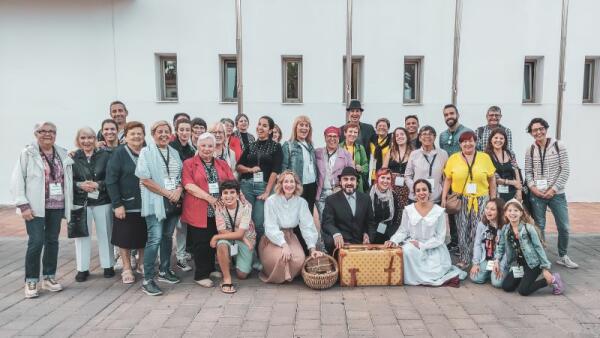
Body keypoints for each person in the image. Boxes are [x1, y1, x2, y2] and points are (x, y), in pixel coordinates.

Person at [10, 122, 74, 298]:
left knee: (52, 241)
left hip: (56, 205)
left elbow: (67, 178)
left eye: (51, 131)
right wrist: (22, 204)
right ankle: (31, 279)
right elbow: (18, 179)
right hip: (35, 207)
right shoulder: (28, 153)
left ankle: (49, 277)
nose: (47, 134)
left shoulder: (62, 152)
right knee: (36, 242)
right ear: (36, 133)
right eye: (43, 131)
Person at [385, 179, 467, 286]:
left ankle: (424, 274)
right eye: (418, 190)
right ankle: (414, 275)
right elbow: (403, 231)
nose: (421, 193)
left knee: (434, 271)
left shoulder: (439, 211)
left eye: (424, 189)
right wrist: (393, 240)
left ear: (429, 192)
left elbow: (440, 237)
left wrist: (423, 245)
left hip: (433, 247)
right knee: (407, 251)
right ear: (414, 194)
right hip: (414, 245)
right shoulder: (408, 210)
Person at [136, 121, 183, 296]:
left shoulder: (175, 153)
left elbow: (180, 175)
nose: (163, 134)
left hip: (172, 202)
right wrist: (166, 192)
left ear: (171, 134)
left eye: (166, 131)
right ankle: (148, 280)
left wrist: (178, 189)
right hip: (155, 201)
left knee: (167, 237)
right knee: (154, 239)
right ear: (153, 134)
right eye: (159, 132)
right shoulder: (146, 152)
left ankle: (164, 270)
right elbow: (145, 179)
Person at [182, 133, 236, 288]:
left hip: (219, 209)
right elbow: (189, 185)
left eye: (210, 146)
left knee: (215, 238)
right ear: (198, 146)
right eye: (203, 145)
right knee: (201, 243)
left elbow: (231, 182)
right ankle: (201, 275)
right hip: (198, 208)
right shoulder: (189, 163)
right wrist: (211, 199)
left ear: (215, 148)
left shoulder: (222, 163)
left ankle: (211, 268)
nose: (206, 149)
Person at [524, 118, 578, 268]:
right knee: (539, 226)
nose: (538, 132)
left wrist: (553, 189)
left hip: (557, 194)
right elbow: (528, 172)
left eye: (541, 129)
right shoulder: (530, 149)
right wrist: (533, 188)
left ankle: (563, 255)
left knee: (564, 226)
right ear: (531, 133)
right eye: (534, 130)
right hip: (537, 195)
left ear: (546, 129)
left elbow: (565, 170)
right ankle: (541, 256)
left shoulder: (559, 145)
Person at [442, 131, 496, 269]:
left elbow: (492, 179)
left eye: (470, 140)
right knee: (462, 229)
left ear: (475, 142)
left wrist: (493, 199)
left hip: (481, 198)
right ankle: (464, 258)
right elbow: (447, 179)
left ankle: (476, 258)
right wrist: (444, 198)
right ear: (460, 144)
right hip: (461, 198)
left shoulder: (484, 157)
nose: (468, 144)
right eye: (464, 141)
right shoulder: (453, 158)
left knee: (478, 229)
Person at [260, 170, 323, 283]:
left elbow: (307, 226)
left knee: (299, 259)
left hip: (290, 236)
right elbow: (270, 226)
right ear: (280, 184)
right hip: (272, 238)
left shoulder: (301, 202)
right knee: (281, 258)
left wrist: (312, 248)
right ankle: (277, 275)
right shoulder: (271, 201)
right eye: (286, 182)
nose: (289, 185)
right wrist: (284, 245)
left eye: (292, 182)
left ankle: (287, 273)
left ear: (297, 184)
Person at [494, 199, 565, 296]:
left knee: (523, 291)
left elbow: (539, 248)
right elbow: (500, 246)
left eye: (516, 210)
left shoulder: (528, 228)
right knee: (507, 286)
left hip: (533, 264)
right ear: (505, 213)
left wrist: (545, 268)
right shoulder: (505, 229)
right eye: (509, 210)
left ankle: (552, 279)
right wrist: (497, 260)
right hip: (519, 265)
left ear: (521, 213)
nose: (512, 213)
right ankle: (525, 280)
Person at [106, 121, 147, 284]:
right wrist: (117, 204)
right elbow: (111, 180)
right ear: (126, 136)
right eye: (133, 133)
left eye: (139, 133)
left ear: (144, 136)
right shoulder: (119, 153)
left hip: (145, 202)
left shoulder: (147, 152)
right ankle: (127, 268)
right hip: (125, 204)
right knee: (125, 237)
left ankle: (142, 263)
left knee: (143, 235)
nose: (136, 136)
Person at [71, 127, 115, 282]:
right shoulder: (73, 157)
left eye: (90, 137)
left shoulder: (106, 155)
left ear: (95, 139)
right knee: (82, 236)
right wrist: (79, 185)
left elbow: (111, 176)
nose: (86, 141)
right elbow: (68, 180)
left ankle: (108, 266)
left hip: (102, 200)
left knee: (105, 233)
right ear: (78, 139)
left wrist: (98, 185)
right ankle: (82, 269)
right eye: (83, 138)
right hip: (81, 201)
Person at [236, 116, 283, 246]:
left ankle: (260, 253)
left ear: (270, 130)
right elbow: (238, 166)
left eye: (264, 125)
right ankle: (249, 256)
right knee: (246, 222)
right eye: (259, 124)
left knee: (258, 222)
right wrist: (250, 169)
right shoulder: (251, 146)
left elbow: (275, 170)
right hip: (247, 186)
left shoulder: (276, 147)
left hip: (264, 187)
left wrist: (268, 191)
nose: (260, 127)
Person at [211, 180, 256, 293]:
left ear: (237, 194)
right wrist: (219, 237)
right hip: (231, 237)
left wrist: (215, 237)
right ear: (221, 195)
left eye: (232, 192)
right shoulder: (219, 207)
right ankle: (227, 279)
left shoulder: (246, 206)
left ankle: (244, 257)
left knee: (242, 275)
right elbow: (222, 231)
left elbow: (241, 233)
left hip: (247, 237)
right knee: (221, 244)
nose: (229, 196)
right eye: (225, 193)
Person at [439, 104, 472, 254]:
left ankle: (465, 243)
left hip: (465, 180)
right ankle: (454, 241)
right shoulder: (443, 136)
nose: (449, 117)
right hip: (449, 179)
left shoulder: (466, 132)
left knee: (465, 212)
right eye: (446, 115)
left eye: (451, 113)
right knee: (452, 209)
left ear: (457, 114)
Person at [321, 167, 376, 253]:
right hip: (341, 244)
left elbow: (371, 222)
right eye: (345, 179)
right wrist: (336, 234)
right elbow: (327, 223)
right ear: (340, 182)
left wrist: (368, 235)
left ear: (357, 182)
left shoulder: (366, 199)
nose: (349, 182)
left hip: (361, 243)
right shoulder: (331, 200)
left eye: (352, 179)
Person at [169, 118, 195, 273]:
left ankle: (180, 257)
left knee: (182, 227)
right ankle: (163, 259)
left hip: (186, 193)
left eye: (187, 130)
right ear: (177, 131)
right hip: (170, 192)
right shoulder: (171, 148)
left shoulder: (192, 150)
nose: (185, 133)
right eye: (182, 129)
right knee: (167, 228)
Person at [281, 115, 318, 216]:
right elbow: (283, 169)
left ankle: (306, 232)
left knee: (308, 214)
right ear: (295, 127)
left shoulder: (310, 145)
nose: (304, 128)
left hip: (312, 185)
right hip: (297, 186)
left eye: (307, 125)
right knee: (295, 216)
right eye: (301, 125)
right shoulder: (288, 145)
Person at [315, 126, 354, 219]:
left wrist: (342, 186)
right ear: (325, 137)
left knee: (338, 220)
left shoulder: (346, 154)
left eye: (335, 136)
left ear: (339, 138)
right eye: (329, 136)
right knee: (323, 220)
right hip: (321, 194)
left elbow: (352, 174)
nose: (332, 139)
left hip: (338, 192)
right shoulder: (317, 152)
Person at [405, 126, 448, 204]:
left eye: (430, 134)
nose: (427, 136)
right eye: (424, 134)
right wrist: (415, 189)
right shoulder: (414, 154)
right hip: (416, 198)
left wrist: (443, 194)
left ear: (434, 137)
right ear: (420, 138)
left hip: (436, 198)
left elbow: (445, 178)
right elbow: (407, 176)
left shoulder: (443, 154)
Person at [469, 198, 506, 288]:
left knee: (497, 283)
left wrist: (501, 266)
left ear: (499, 211)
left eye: (492, 209)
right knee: (475, 278)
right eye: (487, 208)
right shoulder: (482, 225)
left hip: (500, 261)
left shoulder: (505, 226)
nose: (488, 211)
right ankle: (490, 272)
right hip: (486, 259)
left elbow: (507, 251)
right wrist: (476, 263)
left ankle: (501, 273)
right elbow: (477, 244)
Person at [485, 128, 522, 202]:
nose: (498, 140)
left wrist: (519, 190)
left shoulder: (510, 154)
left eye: (501, 138)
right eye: (496, 138)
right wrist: (512, 182)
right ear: (491, 139)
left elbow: (516, 169)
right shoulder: (486, 156)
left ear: (505, 141)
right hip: (496, 193)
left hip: (512, 192)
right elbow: (494, 178)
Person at [383, 127, 411, 212]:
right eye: (397, 135)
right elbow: (384, 170)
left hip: (407, 188)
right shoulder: (391, 152)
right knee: (392, 210)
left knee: (405, 212)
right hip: (391, 186)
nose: (399, 137)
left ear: (407, 136)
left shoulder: (413, 152)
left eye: (402, 134)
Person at [369, 169, 402, 244]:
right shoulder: (369, 194)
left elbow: (396, 219)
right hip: (372, 233)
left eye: (388, 178)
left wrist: (392, 236)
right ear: (378, 179)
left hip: (388, 232)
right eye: (383, 177)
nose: (385, 181)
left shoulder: (393, 195)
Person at [340, 122, 368, 192]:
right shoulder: (338, 147)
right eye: (350, 131)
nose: (353, 134)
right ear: (345, 133)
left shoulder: (360, 148)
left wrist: (361, 168)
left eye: (355, 132)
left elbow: (366, 165)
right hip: (341, 182)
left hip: (356, 182)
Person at [368, 118, 392, 182]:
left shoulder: (391, 141)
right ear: (376, 128)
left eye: (384, 126)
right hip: (374, 174)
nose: (382, 127)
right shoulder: (372, 140)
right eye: (379, 126)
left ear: (388, 128)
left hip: (387, 175)